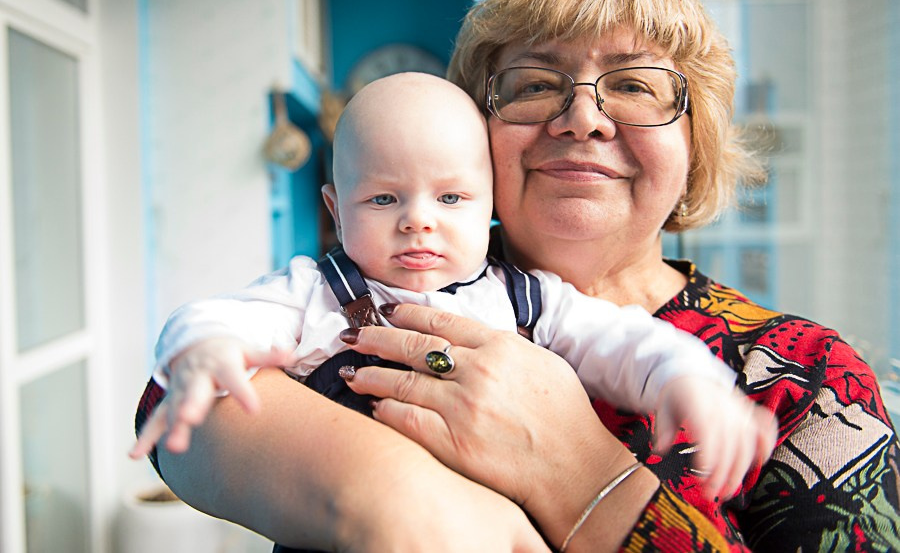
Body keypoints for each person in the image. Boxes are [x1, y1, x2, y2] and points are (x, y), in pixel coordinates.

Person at [134, 0, 900, 553]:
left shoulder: (810, 382)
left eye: (635, 85)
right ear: (469, 135)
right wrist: (396, 493)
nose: (581, 117)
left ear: (694, 140)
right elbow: (179, 395)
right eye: (535, 84)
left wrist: (579, 471)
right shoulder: (365, 282)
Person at [133, 72, 775, 505]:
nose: (418, 218)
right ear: (335, 207)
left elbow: (623, 340)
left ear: (490, 205)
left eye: (451, 197)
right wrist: (205, 351)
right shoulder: (315, 294)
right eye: (383, 197)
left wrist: (687, 381)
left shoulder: (528, 300)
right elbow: (221, 318)